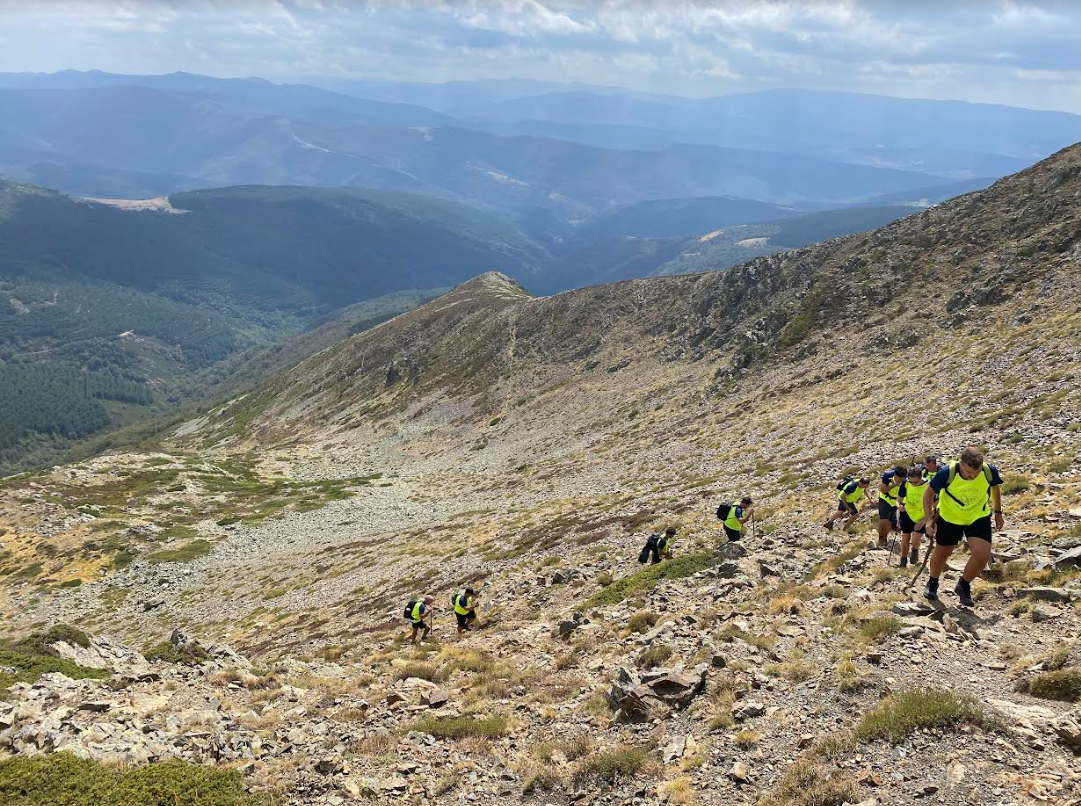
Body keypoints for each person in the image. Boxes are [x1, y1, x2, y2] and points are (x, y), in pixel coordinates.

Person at [922, 447, 1004, 607]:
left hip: (978, 517)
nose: (972, 476)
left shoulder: (989, 471)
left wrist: (998, 512)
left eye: (976, 472)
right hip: (950, 518)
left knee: (982, 555)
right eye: (968, 472)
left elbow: (995, 488)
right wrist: (928, 519)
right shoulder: (947, 473)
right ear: (961, 463)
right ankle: (933, 582)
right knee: (942, 552)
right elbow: (928, 494)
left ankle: (964, 585)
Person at [896, 466, 929, 568]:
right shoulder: (906, 483)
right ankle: (903, 559)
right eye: (911, 482)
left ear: (920, 478)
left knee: (915, 539)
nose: (912, 484)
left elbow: (935, 507)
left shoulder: (929, 486)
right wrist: (899, 506)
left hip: (922, 517)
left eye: (915, 482)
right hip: (907, 513)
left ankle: (915, 550)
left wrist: (924, 521)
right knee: (905, 538)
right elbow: (898, 500)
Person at [876, 464, 908, 548]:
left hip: (896, 502)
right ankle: (880, 537)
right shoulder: (888, 475)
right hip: (885, 499)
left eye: (901, 478)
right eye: (897, 477)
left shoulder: (908, 480)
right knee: (883, 520)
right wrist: (894, 485)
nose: (899, 480)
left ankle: (885, 537)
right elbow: (883, 490)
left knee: (889, 522)